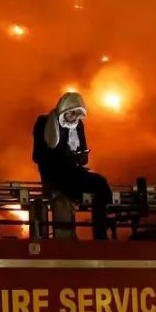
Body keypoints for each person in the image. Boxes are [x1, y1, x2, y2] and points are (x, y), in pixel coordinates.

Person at [31, 91, 114, 239]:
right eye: (71, 114)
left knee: (102, 184)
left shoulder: (78, 126)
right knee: (64, 196)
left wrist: (81, 157)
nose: (74, 118)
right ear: (63, 110)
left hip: (73, 173)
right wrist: (62, 156)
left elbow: (82, 150)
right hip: (54, 174)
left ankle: (101, 234)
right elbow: (37, 155)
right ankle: (66, 238)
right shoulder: (44, 122)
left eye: (77, 115)